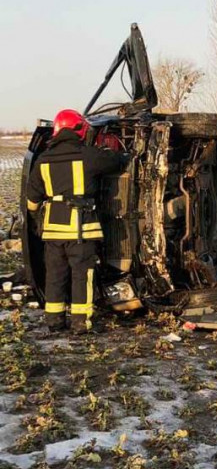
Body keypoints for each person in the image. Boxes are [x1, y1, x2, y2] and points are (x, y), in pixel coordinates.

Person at [26, 110, 126, 334]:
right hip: (81, 230)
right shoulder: (88, 155)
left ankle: (54, 321)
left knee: (55, 276)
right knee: (82, 276)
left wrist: (37, 219)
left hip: (53, 232)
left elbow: (32, 201)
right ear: (79, 130)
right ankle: (81, 324)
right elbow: (116, 161)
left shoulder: (43, 160)